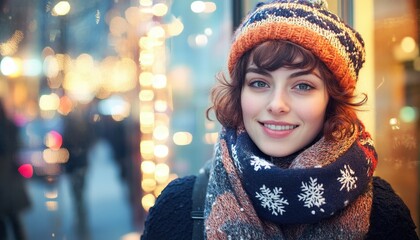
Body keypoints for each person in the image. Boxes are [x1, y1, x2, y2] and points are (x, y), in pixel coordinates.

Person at [141, 0, 419, 239]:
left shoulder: (383, 212)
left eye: (303, 86)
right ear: (239, 91)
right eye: (260, 83)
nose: (277, 105)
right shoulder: (179, 205)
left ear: (331, 100)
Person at [0, 99, 31, 240]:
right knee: (14, 219)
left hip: (7, 176)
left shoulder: (9, 126)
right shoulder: (10, 126)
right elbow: (17, 147)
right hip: (10, 176)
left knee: (6, 222)